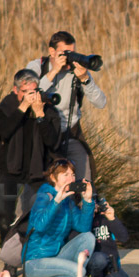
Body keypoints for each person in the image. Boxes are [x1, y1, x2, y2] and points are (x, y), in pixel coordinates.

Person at [0, 69, 63, 239]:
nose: (31, 96)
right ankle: (7, 251)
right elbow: (1, 133)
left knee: (38, 214)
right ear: (16, 90)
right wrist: (22, 108)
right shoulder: (7, 107)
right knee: (5, 217)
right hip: (10, 171)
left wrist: (40, 115)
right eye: (26, 92)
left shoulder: (47, 108)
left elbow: (52, 142)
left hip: (38, 172)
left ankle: (31, 250)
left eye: (34, 91)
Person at [23, 31, 106, 183]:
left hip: (70, 133)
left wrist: (85, 80)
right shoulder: (37, 66)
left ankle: (84, 197)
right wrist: (53, 71)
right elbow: (28, 96)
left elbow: (101, 103)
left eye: (72, 53)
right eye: (64, 53)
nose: (69, 57)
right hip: (42, 133)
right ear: (52, 52)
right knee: (38, 184)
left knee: (84, 181)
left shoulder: (77, 70)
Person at [22, 159, 105, 277]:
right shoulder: (44, 196)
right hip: (35, 261)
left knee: (88, 237)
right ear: (53, 177)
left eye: (73, 175)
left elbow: (83, 228)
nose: (71, 179)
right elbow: (39, 226)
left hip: (56, 258)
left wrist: (87, 201)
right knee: (79, 272)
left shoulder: (68, 202)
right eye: (66, 175)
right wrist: (56, 201)